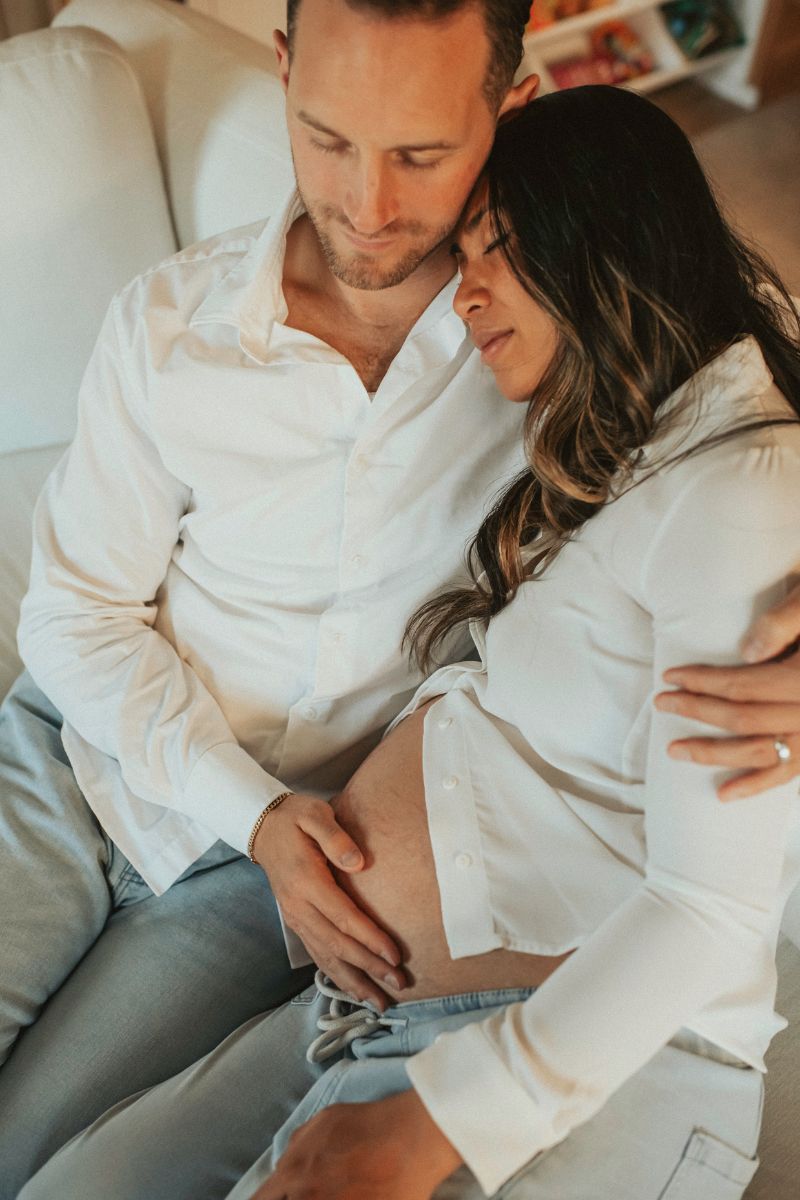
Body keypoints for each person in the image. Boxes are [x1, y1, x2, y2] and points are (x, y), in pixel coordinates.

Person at [20, 84, 800, 1200]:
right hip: (359, 986)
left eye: (498, 252)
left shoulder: (740, 480)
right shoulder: (622, 448)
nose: (460, 292)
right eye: (329, 137)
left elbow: (708, 907)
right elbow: (69, 609)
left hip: (565, 1044)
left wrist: (448, 1117)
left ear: (605, 242)